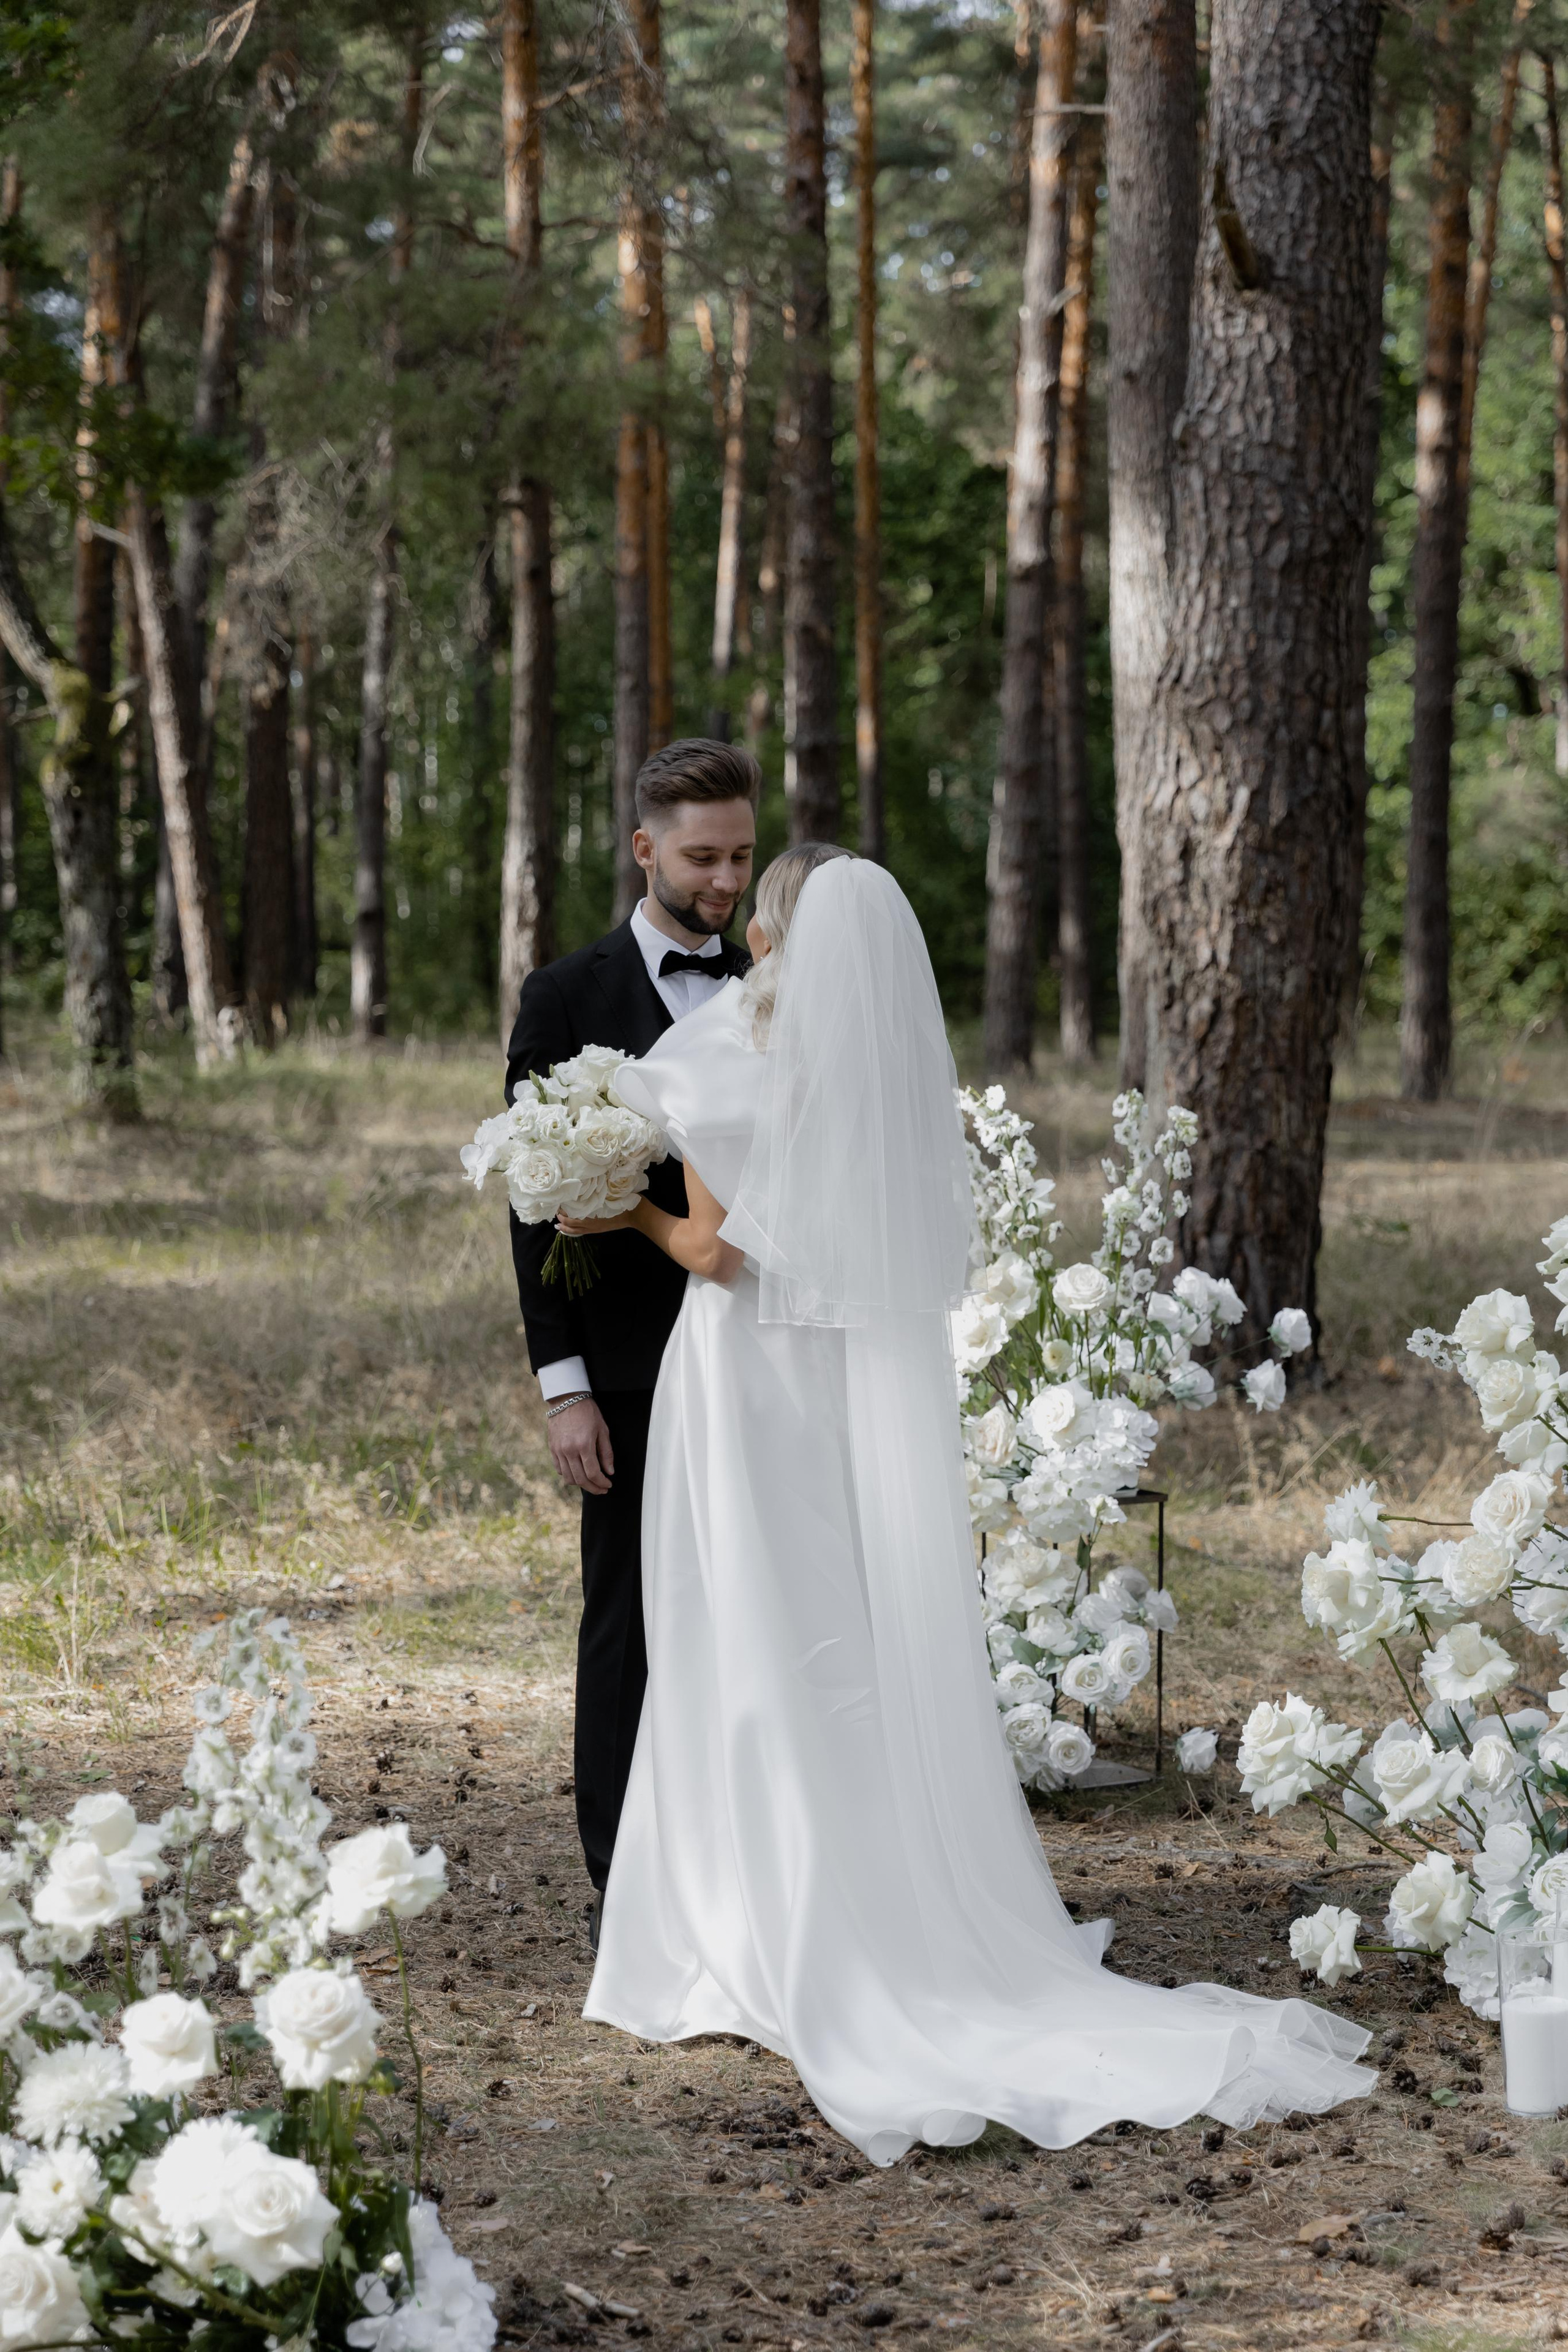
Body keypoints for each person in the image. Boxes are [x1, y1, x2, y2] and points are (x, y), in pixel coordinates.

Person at [556, 847, 1376, 2164]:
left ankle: (740, 1916)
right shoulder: (877, 1073)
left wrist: (617, 1219)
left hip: (743, 1378)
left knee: (740, 1621)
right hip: (836, 1387)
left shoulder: (721, 1055)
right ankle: (868, 1888)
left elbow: (711, 1250)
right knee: (836, 1631)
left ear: (769, 938)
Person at [505, 739, 755, 1945]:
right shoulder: (563, 995)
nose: (726, 882)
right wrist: (566, 1389)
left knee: (751, 1603)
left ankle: (741, 1859)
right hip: (628, 1366)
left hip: (757, 1350)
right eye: (703, 857)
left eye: (742, 856)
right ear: (644, 848)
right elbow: (529, 1200)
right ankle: (623, 1884)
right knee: (628, 1617)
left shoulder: (773, 990)